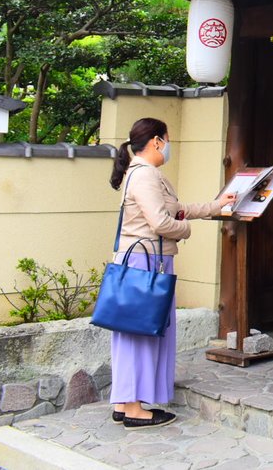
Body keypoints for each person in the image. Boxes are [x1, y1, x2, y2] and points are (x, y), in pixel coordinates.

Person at [107, 117, 236, 428]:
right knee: (142, 332)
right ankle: (135, 410)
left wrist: (215, 206)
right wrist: (187, 230)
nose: (169, 145)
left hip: (137, 262)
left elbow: (174, 208)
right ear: (156, 142)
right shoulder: (146, 176)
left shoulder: (141, 173)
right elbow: (162, 222)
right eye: (167, 139)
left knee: (133, 332)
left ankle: (125, 403)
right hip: (146, 264)